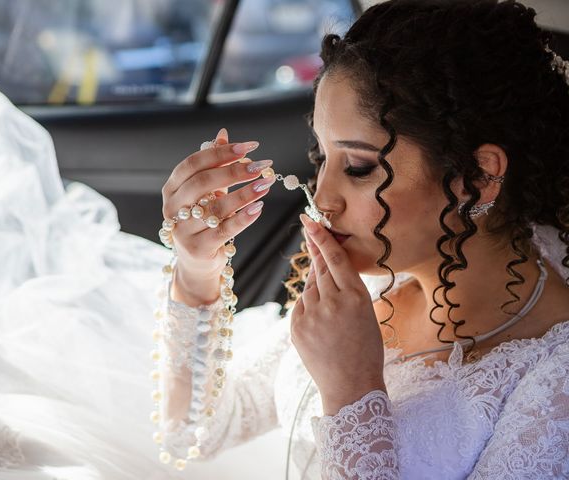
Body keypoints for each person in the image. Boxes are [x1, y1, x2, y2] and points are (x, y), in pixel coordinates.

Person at [155, 0, 569, 478]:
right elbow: (195, 431)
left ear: (476, 176)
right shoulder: (368, 286)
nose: (322, 197)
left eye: (358, 168)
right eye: (320, 158)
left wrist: (352, 389)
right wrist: (196, 271)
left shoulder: (554, 378)